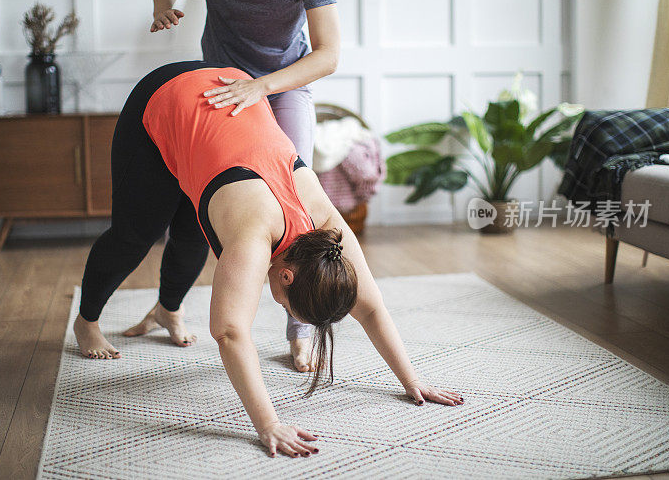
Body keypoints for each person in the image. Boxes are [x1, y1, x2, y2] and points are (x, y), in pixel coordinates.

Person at [73, 61, 464, 458]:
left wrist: (411, 380)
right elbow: (229, 332)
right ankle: (86, 321)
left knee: (194, 230)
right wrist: (268, 424)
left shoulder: (329, 231)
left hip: (227, 100)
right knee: (136, 234)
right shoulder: (253, 232)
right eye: (289, 309)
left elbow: (371, 308)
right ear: (288, 277)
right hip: (167, 95)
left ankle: (166, 310)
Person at [147, 0, 341, 371]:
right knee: (199, 201)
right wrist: (164, 7)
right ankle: (168, 306)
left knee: (298, 204)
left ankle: (301, 329)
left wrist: (263, 87)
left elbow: (328, 55)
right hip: (219, 81)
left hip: (284, 83)